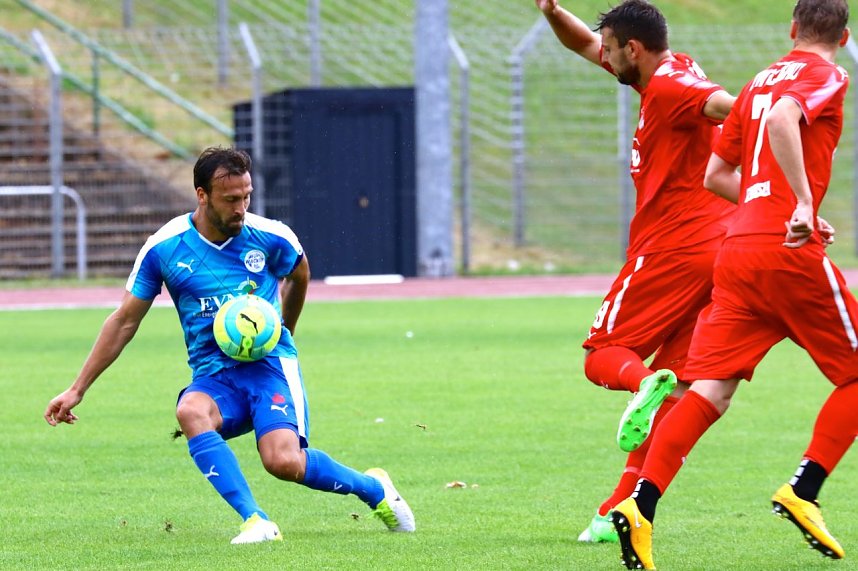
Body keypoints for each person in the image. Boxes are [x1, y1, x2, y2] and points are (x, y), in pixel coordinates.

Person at [43, 146, 415, 544]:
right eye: (231, 199)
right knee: (190, 410)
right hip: (215, 376)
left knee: (282, 462)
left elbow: (300, 273)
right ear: (201, 195)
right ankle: (256, 521)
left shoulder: (270, 236)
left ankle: (373, 489)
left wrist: (283, 330)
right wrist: (78, 387)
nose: (241, 208)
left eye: (247, 196)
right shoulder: (164, 248)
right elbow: (124, 319)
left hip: (269, 368)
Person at [610, 1, 855, 568]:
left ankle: (639, 506)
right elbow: (784, 118)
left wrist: (771, 203)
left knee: (710, 391)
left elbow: (716, 174)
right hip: (786, 253)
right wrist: (799, 204)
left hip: (738, 252)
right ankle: (805, 491)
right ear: (842, 37)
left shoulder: (758, 80)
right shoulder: (827, 74)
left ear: (792, 29)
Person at [535, 0, 735, 543]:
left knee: (603, 356)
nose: (600, 55)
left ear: (634, 49)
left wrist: (766, 122)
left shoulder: (671, 89)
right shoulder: (664, 71)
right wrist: (551, 10)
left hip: (672, 249)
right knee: (675, 393)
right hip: (720, 249)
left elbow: (729, 108)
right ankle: (617, 509)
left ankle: (643, 383)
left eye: (609, 49)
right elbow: (580, 42)